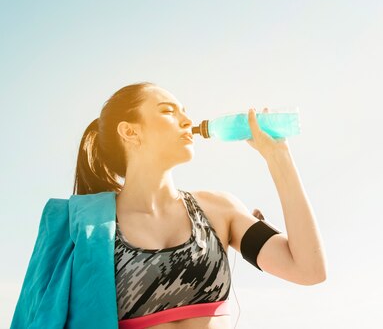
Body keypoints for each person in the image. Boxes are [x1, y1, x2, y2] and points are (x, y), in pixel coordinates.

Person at [11, 81, 327, 329]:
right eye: (168, 111)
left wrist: (278, 156)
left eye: (184, 110)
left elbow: (308, 269)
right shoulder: (81, 227)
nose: (187, 119)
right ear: (130, 131)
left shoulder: (219, 210)